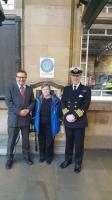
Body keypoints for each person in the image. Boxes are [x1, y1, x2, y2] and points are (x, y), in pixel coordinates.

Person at [60, 66, 91, 173]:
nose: (75, 77)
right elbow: (63, 102)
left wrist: (75, 116)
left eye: (77, 76)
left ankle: (78, 162)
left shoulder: (86, 89)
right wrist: (67, 115)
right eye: (73, 75)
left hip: (79, 122)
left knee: (79, 144)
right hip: (68, 121)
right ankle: (67, 160)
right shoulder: (66, 89)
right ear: (71, 76)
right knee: (68, 142)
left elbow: (85, 105)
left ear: (80, 76)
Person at [5, 69, 35, 169]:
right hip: (14, 119)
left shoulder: (29, 89)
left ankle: (26, 157)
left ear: (26, 78)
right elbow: (9, 103)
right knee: (11, 140)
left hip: (26, 119)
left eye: (23, 77)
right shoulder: (10, 88)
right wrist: (19, 112)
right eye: (19, 77)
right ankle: (9, 159)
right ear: (16, 78)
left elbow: (33, 102)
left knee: (26, 140)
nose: (21, 79)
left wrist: (28, 109)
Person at [34, 82, 62, 164]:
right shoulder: (38, 100)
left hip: (51, 124)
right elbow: (35, 112)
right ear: (41, 90)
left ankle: (49, 157)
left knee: (49, 142)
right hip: (40, 124)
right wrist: (34, 123)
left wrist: (59, 122)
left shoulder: (56, 100)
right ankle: (42, 156)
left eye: (47, 89)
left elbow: (59, 113)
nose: (45, 91)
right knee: (41, 141)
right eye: (43, 89)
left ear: (50, 90)